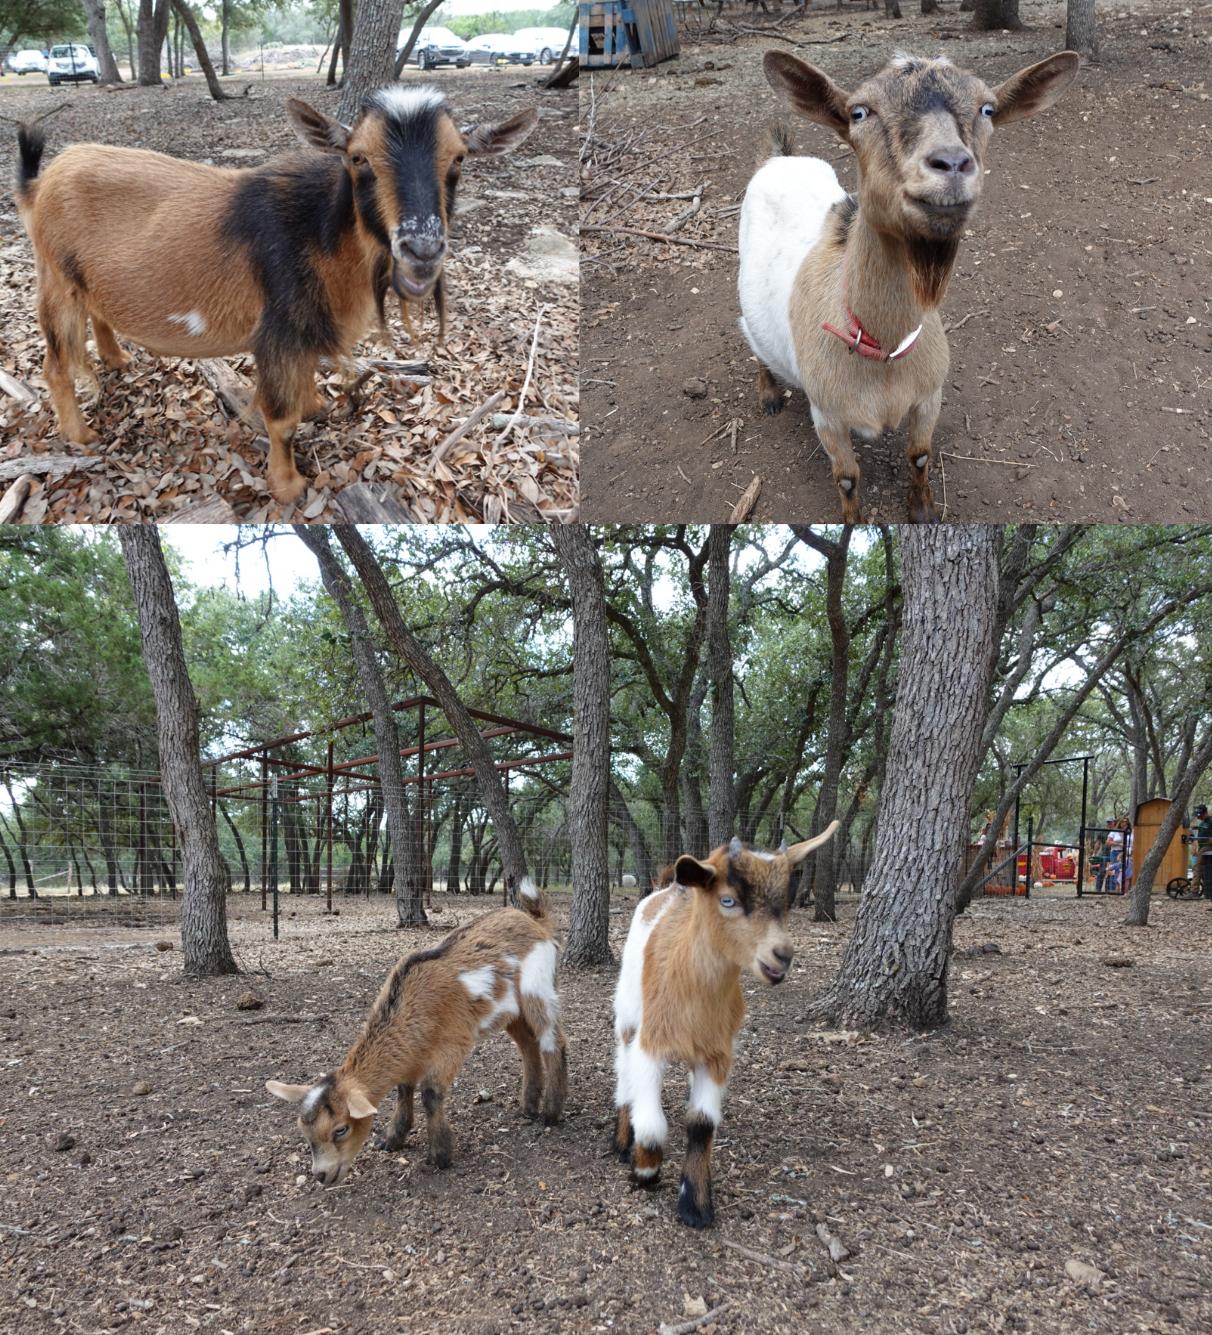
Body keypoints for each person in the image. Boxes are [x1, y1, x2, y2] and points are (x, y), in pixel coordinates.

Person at [1194, 804, 1212, 900]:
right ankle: (1206, 890)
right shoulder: (1201, 824)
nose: (1199, 817)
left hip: (1208, 847)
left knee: (1197, 867)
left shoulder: (1211, 821)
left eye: (1200, 815)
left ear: (1205, 813)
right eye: (1197, 815)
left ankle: (1194, 891)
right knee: (1205, 870)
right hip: (1202, 848)